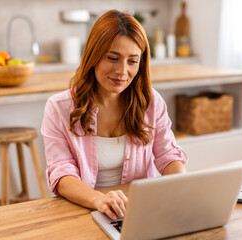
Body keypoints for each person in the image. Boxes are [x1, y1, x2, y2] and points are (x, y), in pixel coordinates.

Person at [41, 9, 187, 221]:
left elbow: (168, 156)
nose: (122, 71)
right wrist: (99, 200)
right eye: (113, 58)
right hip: (82, 210)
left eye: (132, 61)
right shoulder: (59, 108)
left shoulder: (151, 102)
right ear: (93, 55)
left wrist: (185, 190)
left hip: (138, 211)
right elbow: (62, 174)